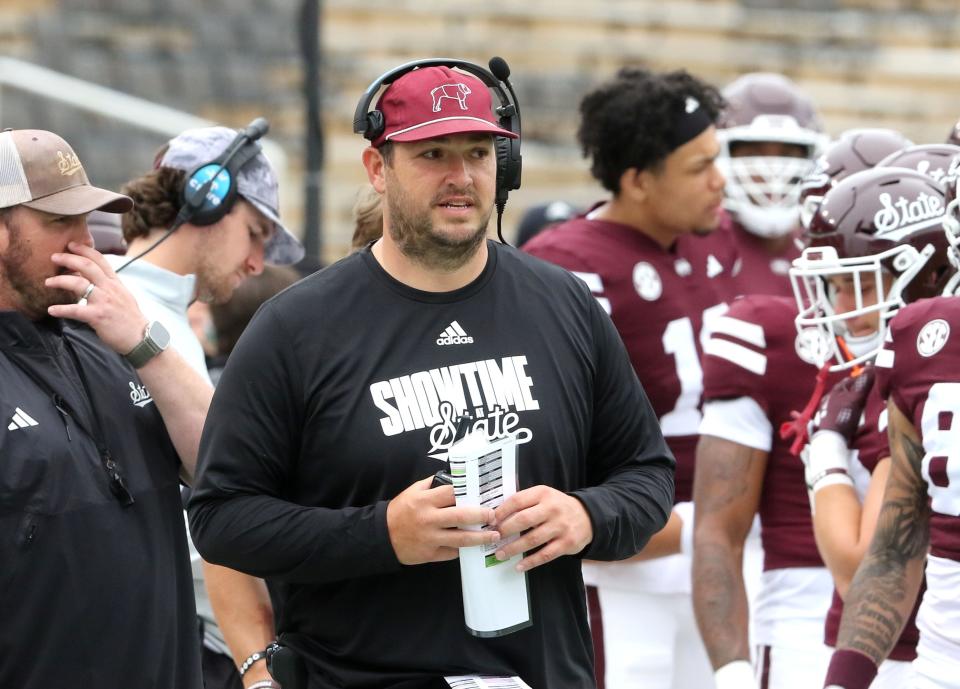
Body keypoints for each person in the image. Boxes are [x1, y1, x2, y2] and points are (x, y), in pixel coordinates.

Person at [187, 60, 675, 689]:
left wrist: (585, 515)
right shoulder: (296, 329)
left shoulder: (564, 306)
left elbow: (648, 476)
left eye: (478, 151)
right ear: (377, 169)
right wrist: (382, 533)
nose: (461, 176)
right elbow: (222, 518)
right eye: (433, 153)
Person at [522, 66, 735, 689]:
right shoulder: (569, 268)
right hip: (620, 570)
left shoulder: (719, 243)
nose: (719, 181)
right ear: (638, 179)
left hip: (717, 560)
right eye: (698, 167)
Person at [0, 129, 211, 687]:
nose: (85, 243)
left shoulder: (112, 338)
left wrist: (146, 342)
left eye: (85, 221)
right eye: (59, 223)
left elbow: (224, 464)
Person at [118, 125, 305, 689]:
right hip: (175, 637)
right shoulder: (120, 314)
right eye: (254, 234)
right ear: (205, 200)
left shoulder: (160, 317)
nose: (256, 263)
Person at [790, 165, 952, 687]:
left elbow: (855, 559)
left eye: (856, 286)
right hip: (933, 661)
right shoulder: (926, 343)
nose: (841, 309)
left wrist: (827, 449)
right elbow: (893, 549)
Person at [716, 72, 828, 296]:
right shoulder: (698, 248)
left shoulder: (822, 254)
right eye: (753, 152)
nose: (773, 174)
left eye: (787, 153)